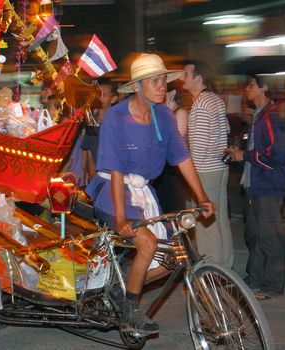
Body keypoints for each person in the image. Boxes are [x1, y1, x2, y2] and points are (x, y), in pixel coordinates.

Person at [85, 53, 214, 334]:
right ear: (138, 86)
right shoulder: (116, 118)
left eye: (163, 81)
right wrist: (121, 218)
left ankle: (121, 291)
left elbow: (182, 158)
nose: (162, 87)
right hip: (112, 191)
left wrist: (202, 197)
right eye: (155, 82)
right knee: (147, 243)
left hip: (143, 193)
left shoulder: (164, 115)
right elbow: (116, 172)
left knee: (175, 258)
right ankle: (131, 310)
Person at [226, 76, 285, 299]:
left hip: (268, 186)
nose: (246, 89)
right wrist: (239, 151)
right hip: (256, 184)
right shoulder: (259, 116)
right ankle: (254, 279)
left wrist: (245, 155)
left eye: (251, 85)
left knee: (269, 237)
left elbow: (278, 155)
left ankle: (271, 285)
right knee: (254, 234)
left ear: (263, 87)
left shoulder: (271, 116)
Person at [180, 60, 234, 268]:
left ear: (198, 78)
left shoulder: (201, 104)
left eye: (186, 74)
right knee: (220, 221)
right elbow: (226, 131)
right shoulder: (215, 99)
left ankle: (212, 271)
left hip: (204, 169)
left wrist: (191, 173)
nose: (183, 78)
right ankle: (226, 268)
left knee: (205, 225)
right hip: (219, 167)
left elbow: (198, 147)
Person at [81, 81, 118, 183]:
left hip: (114, 175)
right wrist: (92, 173)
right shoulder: (91, 120)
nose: (99, 97)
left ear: (113, 99)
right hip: (97, 176)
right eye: (97, 94)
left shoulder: (117, 122)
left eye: (104, 94)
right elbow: (89, 148)